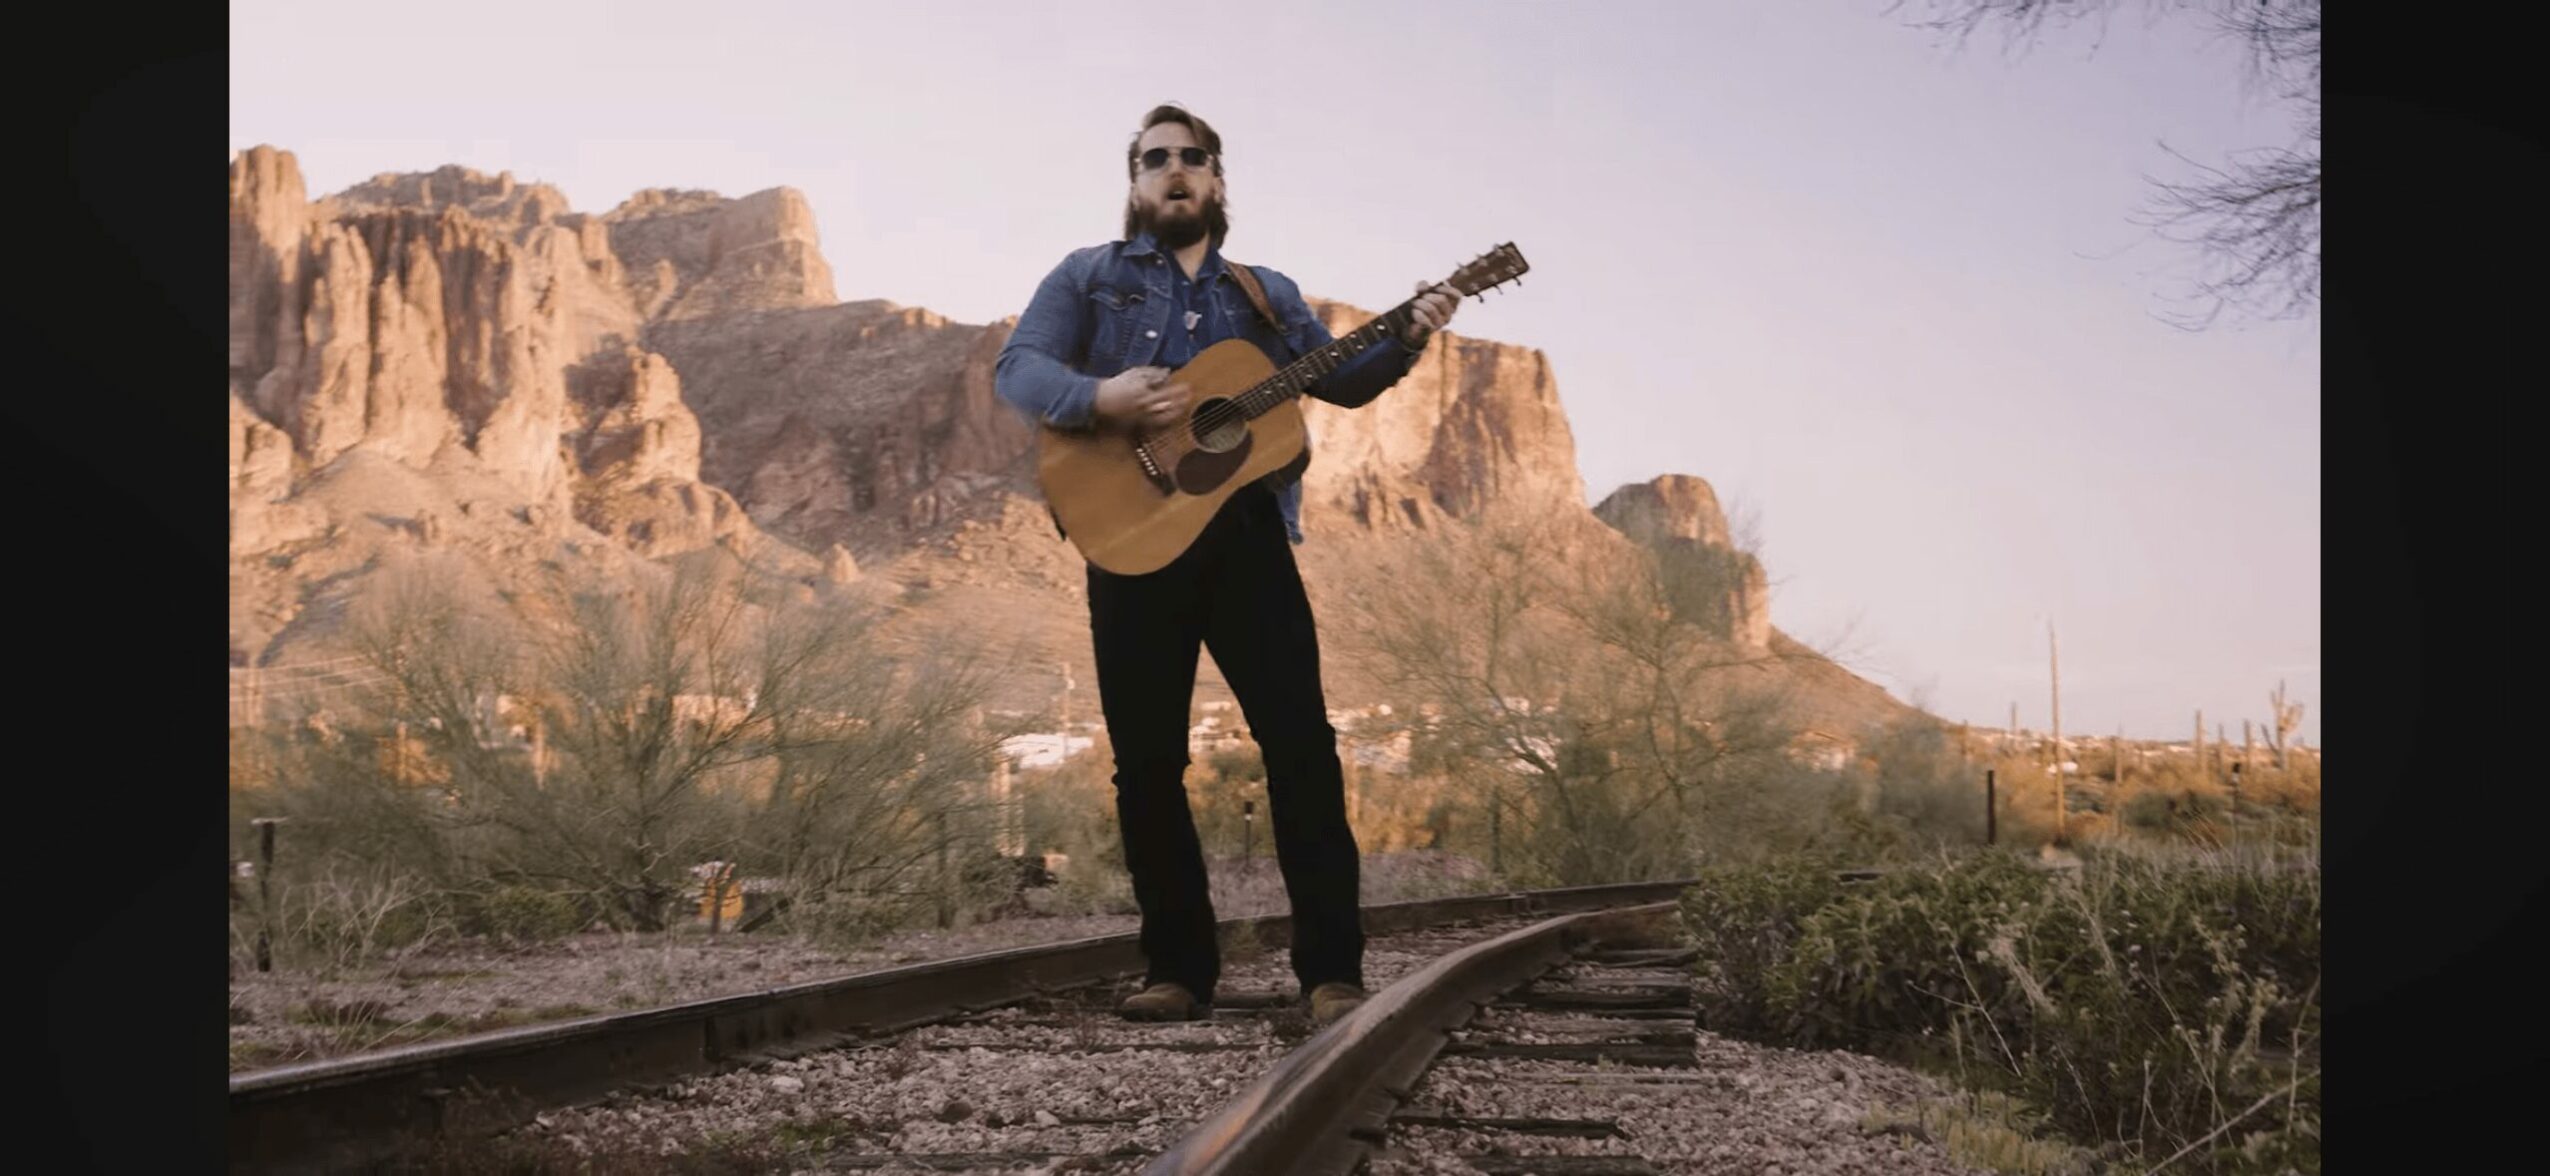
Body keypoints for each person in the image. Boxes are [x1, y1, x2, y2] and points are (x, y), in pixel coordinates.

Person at [993, 103, 1459, 1027]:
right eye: (1153, 159)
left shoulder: (1264, 293)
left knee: (1302, 750)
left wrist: (1410, 330)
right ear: (1134, 183)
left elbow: (1341, 378)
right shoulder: (1087, 276)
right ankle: (1178, 970)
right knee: (1148, 764)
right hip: (1130, 537)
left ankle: (1330, 972)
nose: (1173, 170)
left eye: (1190, 158)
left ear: (1216, 182)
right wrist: (1101, 395)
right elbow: (1019, 369)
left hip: (1245, 538)